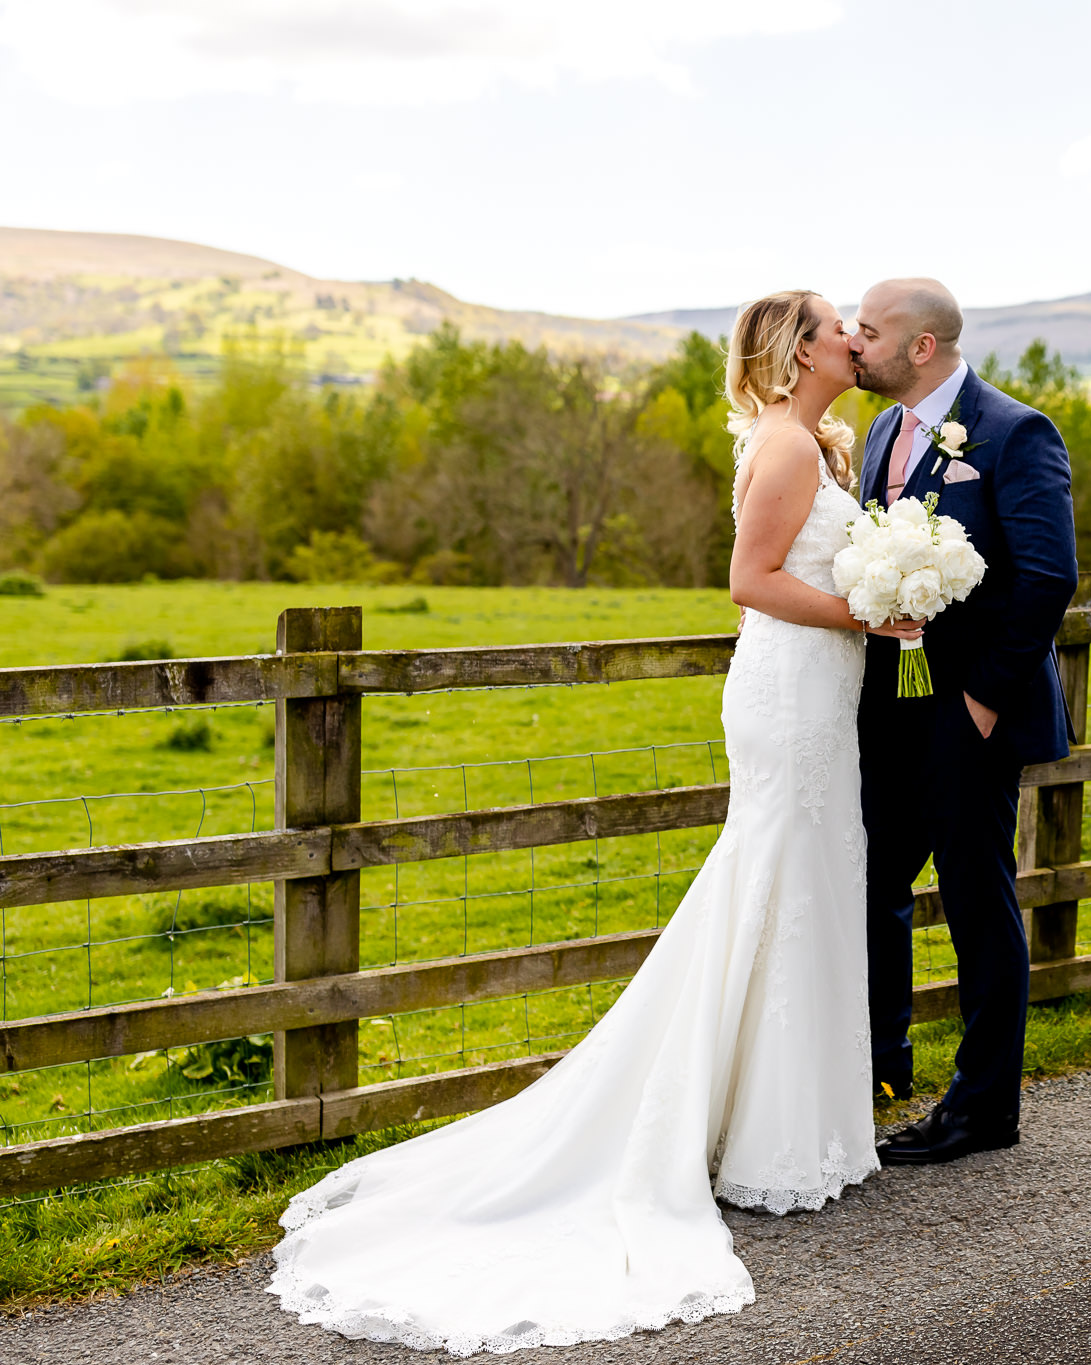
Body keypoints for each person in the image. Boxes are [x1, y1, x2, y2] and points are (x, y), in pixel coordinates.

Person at [266, 290, 922, 1355]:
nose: (856, 336)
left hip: (816, 691)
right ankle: (759, 1140)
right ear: (800, 350)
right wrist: (868, 611)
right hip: (788, 693)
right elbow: (748, 582)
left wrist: (875, 601)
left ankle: (787, 1129)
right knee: (780, 887)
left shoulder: (811, 441)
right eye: (838, 324)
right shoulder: (787, 449)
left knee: (801, 888)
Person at [849, 278, 1079, 1164]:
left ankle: (985, 1107)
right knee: (871, 880)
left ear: (920, 347)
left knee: (980, 902)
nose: (853, 342)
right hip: (893, 711)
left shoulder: (1015, 432)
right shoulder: (881, 431)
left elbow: (1046, 578)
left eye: (869, 331)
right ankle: (883, 1064)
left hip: (974, 714)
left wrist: (981, 699)